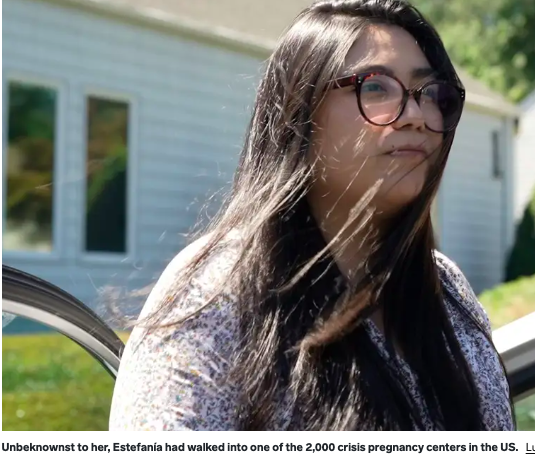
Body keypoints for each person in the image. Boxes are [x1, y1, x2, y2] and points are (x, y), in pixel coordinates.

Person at [109, 0, 514, 431]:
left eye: (431, 93)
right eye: (376, 87)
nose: (416, 116)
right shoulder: (216, 294)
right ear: (299, 112)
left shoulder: (447, 291)